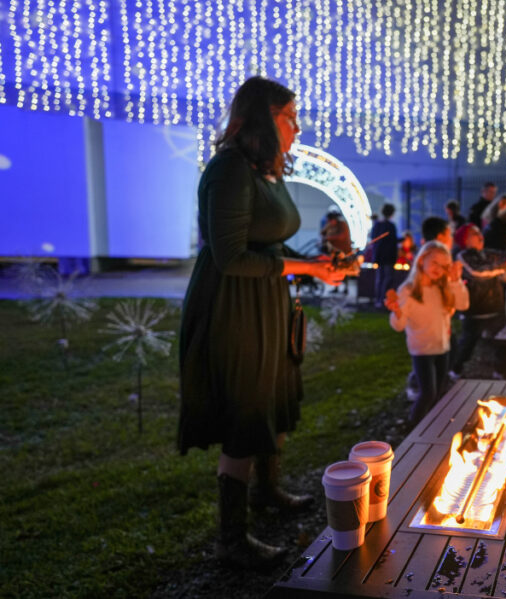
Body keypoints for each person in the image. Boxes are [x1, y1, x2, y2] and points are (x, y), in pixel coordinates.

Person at [177, 77, 350, 568]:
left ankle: (266, 492)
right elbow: (231, 256)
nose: (296, 126)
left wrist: (320, 264)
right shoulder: (230, 168)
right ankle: (230, 541)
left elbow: (269, 245)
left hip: (267, 301)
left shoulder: (263, 171)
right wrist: (308, 267)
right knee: (247, 407)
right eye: (289, 116)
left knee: (273, 393)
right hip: (234, 306)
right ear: (262, 117)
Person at [386, 241, 469, 425]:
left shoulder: (443, 287)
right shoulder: (408, 291)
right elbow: (399, 326)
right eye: (434, 262)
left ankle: (431, 426)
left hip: (443, 348)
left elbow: (463, 304)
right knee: (428, 392)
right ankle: (414, 427)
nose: (438, 269)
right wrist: (397, 313)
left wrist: (455, 281)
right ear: (422, 260)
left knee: (439, 392)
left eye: (443, 265)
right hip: (422, 350)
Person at [449, 224, 506, 377]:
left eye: (480, 232)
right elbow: (479, 271)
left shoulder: (488, 254)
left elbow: (503, 271)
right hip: (474, 310)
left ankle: (500, 370)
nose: (480, 235)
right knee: (467, 343)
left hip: (494, 308)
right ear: (465, 240)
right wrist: (505, 266)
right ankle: (455, 370)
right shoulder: (464, 256)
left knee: (501, 343)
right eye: (474, 233)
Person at [370, 203, 399, 308]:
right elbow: (393, 241)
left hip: (379, 256)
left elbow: (374, 239)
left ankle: (378, 299)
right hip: (388, 257)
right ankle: (382, 299)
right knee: (387, 278)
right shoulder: (390, 226)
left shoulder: (378, 225)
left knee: (380, 279)